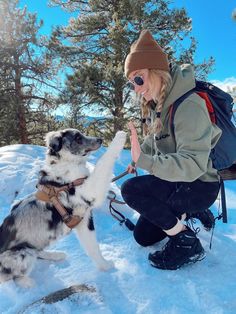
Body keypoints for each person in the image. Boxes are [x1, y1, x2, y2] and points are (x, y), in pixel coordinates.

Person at [121, 30, 221, 270]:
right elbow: (155, 141)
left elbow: (192, 164)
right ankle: (189, 213)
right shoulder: (161, 106)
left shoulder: (189, 105)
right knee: (143, 237)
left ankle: (185, 241)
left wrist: (147, 162)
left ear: (156, 72)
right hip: (178, 181)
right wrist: (138, 158)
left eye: (139, 79)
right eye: (131, 82)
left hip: (199, 184)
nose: (136, 88)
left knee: (131, 190)